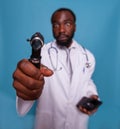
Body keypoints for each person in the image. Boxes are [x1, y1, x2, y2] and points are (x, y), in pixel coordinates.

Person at [13, 8, 100, 129]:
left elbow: (87, 80)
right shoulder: (41, 53)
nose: (61, 30)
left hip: (78, 123)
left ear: (75, 27)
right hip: (48, 123)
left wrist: (92, 95)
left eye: (67, 24)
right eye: (56, 25)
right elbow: (31, 81)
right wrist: (26, 92)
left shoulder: (88, 56)